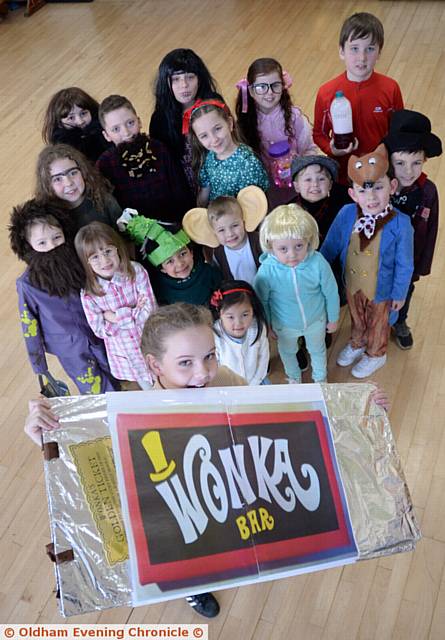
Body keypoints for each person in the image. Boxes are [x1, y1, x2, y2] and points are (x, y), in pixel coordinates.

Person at [25, 302, 248, 619]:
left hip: (221, 485)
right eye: (185, 362)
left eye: (209, 355)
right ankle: (191, 588)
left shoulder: (223, 378)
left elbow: (253, 410)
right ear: (155, 366)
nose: (203, 372)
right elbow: (87, 468)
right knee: (183, 555)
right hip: (172, 510)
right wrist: (48, 435)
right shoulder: (131, 414)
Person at [321, 144, 413, 378]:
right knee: (357, 316)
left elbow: (405, 264)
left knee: (378, 324)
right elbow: (330, 245)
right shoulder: (346, 214)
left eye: (378, 188)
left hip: (382, 290)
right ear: (353, 194)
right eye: (362, 191)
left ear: (392, 187)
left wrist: (400, 293)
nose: (370, 197)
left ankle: (376, 353)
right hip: (352, 284)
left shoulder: (401, 224)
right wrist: (318, 266)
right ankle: (358, 341)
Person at [9, 199, 118, 394]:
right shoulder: (27, 284)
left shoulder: (77, 261)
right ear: (28, 245)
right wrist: (39, 366)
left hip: (99, 330)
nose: (51, 246)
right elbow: (29, 325)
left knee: (115, 371)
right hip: (69, 348)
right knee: (94, 389)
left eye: (57, 238)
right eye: (42, 243)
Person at [313, 12, 404, 184]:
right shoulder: (326, 93)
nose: (362, 58)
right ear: (341, 51)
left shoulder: (391, 88)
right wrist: (331, 149)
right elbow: (319, 133)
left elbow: (399, 131)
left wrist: (385, 149)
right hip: (342, 177)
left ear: (379, 52)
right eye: (354, 49)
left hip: (380, 176)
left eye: (370, 49)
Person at [254, 204, 339, 384]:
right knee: (287, 352)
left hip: (316, 320)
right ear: (271, 246)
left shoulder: (318, 263)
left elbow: (331, 292)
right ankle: (294, 379)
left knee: (318, 350)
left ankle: (320, 379)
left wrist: (333, 318)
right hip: (284, 325)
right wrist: (268, 325)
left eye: (299, 246)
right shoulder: (267, 271)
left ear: (308, 241)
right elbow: (262, 302)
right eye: (283, 249)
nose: (292, 254)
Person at [383, 109, 442, 349]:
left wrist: (421, 265)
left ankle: (400, 322)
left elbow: (431, 231)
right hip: (381, 259)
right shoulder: (380, 187)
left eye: (416, 162)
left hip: (410, 260)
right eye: (400, 163)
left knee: (404, 291)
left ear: (425, 160)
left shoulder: (428, 192)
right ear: (389, 160)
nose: (408, 171)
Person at [75, 222, 157, 390]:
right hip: (128, 354)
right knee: (149, 391)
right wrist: (132, 311)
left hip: (154, 343)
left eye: (108, 251)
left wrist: (113, 316)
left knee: (169, 382)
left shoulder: (136, 272)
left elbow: (150, 311)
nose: (104, 260)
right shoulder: (89, 293)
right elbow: (99, 329)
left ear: (117, 249)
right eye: (95, 257)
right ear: (87, 262)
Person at [96, 94, 194, 221]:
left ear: (139, 121)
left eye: (130, 123)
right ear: (106, 135)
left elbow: (179, 190)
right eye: (116, 129)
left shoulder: (159, 149)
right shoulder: (105, 165)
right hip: (134, 231)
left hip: (172, 221)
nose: (126, 133)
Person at [149, 48, 223, 193]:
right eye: (176, 79)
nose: (184, 85)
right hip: (183, 183)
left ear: (199, 79)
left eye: (190, 77)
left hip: (220, 172)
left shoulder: (214, 104)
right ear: (166, 83)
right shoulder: (160, 119)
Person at [117, 210, 222, 305]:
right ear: (162, 268)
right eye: (170, 261)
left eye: (183, 254)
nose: (180, 263)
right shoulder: (160, 288)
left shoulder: (209, 273)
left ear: (191, 252)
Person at [235, 58, 317, 178]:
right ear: (251, 91)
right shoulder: (245, 123)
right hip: (263, 185)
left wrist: (302, 172)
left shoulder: (294, 117)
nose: (269, 93)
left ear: (283, 87)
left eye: (275, 85)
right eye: (261, 87)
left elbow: (309, 150)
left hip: (295, 180)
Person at [184, 99, 269, 206]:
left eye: (217, 129)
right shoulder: (209, 157)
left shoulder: (248, 164)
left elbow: (255, 205)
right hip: (215, 215)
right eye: (204, 136)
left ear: (229, 123)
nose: (214, 139)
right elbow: (205, 191)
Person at [182, 185, 267, 284]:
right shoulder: (217, 253)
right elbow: (221, 278)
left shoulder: (258, 241)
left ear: (243, 222)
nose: (230, 234)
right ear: (214, 232)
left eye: (235, 225)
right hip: (239, 296)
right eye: (221, 230)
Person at [35, 144, 122, 234]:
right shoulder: (49, 218)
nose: (68, 183)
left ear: (83, 172)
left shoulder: (103, 198)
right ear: (47, 185)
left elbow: (126, 235)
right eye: (57, 179)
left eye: (73, 173)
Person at [210, 280, 270, 385]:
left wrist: (255, 383)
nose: (238, 323)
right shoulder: (215, 335)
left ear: (253, 310)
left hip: (257, 382)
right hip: (230, 386)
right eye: (230, 317)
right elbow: (216, 367)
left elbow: (263, 357)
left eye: (245, 315)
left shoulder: (258, 328)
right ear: (219, 313)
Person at [291, 155, 350, 243]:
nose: (315, 184)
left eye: (321, 179)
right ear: (297, 186)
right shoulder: (289, 212)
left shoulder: (344, 206)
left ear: (330, 185)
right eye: (308, 179)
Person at [42, 87, 110, 162]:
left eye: (83, 113)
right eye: (71, 118)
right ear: (59, 124)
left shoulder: (106, 128)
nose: (80, 121)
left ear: (92, 111)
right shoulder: (62, 152)